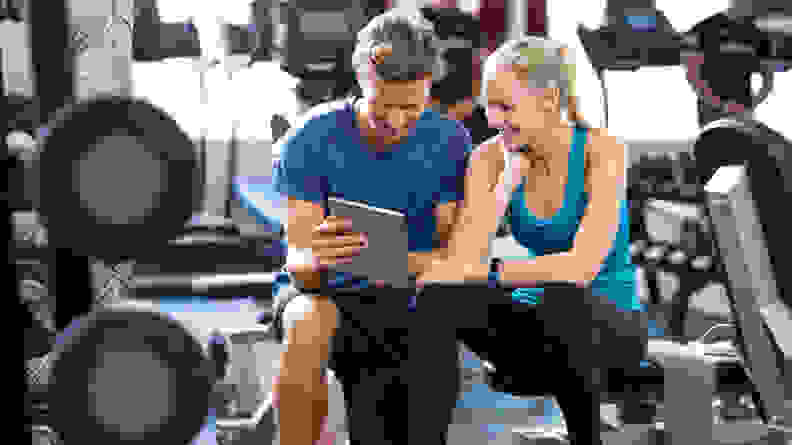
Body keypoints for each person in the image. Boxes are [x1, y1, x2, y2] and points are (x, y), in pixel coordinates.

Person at [415, 36, 649, 445]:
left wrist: (492, 273)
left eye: (506, 106)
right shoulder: (489, 157)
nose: (492, 118)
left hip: (610, 326)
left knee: (563, 294)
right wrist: (505, 183)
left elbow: (582, 267)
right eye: (489, 105)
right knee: (437, 293)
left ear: (548, 99)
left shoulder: (602, 151)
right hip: (537, 325)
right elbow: (462, 262)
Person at [270, 9, 471, 445]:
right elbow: (299, 265)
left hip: (410, 294)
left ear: (429, 90)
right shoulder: (312, 138)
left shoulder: (450, 142)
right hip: (324, 290)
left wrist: (401, 262)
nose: (397, 122)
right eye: (384, 108)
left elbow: (455, 254)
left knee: (432, 318)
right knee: (308, 320)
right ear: (362, 83)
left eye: (411, 108)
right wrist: (317, 258)